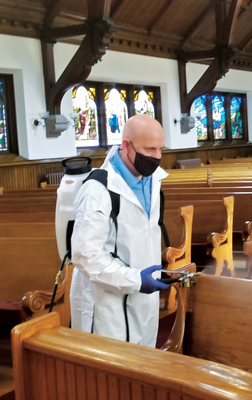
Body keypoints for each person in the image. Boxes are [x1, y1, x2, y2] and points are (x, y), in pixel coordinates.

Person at [70, 114, 170, 348]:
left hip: (144, 294)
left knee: (145, 363)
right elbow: (85, 255)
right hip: (107, 304)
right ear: (126, 146)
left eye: (161, 149)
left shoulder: (153, 179)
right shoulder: (97, 189)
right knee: (108, 375)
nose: (157, 157)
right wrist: (135, 279)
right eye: (150, 149)